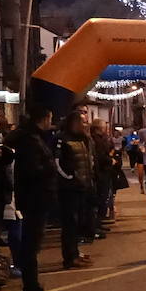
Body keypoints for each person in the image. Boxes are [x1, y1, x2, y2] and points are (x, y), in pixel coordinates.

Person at [7, 106, 60, 291]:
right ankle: (31, 288)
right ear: (44, 118)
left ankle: (32, 286)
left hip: (35, 198)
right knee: (31, 245)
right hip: (35, 198)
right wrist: (49, 169)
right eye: (50, 118)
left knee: (32, 244)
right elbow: (32, 170)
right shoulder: (30, 140)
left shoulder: (32, 137)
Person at [55, 111, 94, 267]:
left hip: (82, 187)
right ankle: (70, 257)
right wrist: (70, 178)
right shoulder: (62, 139)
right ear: (74, 123)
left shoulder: (83, 139)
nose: (86, 125)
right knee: (70, 224)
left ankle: (75, 252)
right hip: (69, 189)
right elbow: (57, 162)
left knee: (78, 223)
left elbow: (88, 160)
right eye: (83, 122)